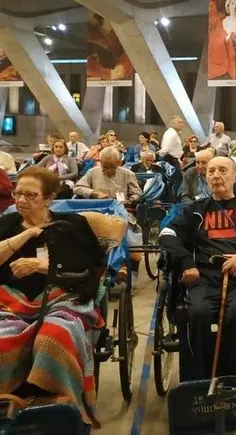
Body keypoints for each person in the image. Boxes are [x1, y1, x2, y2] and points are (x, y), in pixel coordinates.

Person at [0, 166, 125, 426]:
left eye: (30, 195)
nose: (21, 200)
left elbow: (91, 267)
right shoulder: (6, 224)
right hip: (11, 302)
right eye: (17, 194)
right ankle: (8, 400)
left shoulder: (72, 226)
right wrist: (26, 234)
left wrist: (44, 266)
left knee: (53, 337)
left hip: (63, 298)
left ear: (48, 198)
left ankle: (58, 404)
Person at [159, 157, 236, 380]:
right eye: (211, 171)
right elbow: (167, 234)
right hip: (203, 277)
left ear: (235, 177)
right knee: (198, 313)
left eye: (223, 170)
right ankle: (201, 376)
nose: (216, 175)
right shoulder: (195, 209)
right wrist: (187, 263)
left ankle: (231, 375)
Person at [74, 147, 142, 203]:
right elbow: (77, 188)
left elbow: (138, 194)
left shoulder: (128, 174)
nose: (108, 170)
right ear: (100, 162)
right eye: (105, 167)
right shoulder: (92, 172)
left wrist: (130, 201)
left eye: (112, 167)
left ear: (119, 163)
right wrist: (94, 192)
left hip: (120, 208)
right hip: (97, 207)